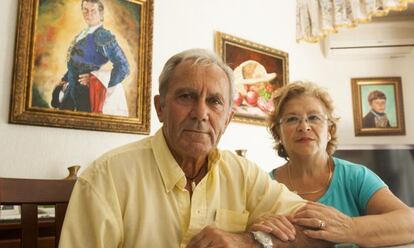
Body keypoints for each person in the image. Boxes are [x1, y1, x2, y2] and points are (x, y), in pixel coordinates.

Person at [59, 50, 335, 247]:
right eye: (187, 96)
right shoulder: (106, 177)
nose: (200, 113)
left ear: (227, 119)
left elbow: (322, 234)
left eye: (215, 101)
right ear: (160, 108)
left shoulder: (244, 175)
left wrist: (249, 241)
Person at [255, 81, 414, 247]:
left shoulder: (356, 177)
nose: (304, 126)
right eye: (292, 119)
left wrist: (349, 228)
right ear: (278, 133)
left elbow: (410, 223)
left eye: (314, 117)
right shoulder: (262, 186)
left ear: (329, 131)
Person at [52, 0, 130, 116]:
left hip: (86, 96)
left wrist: (95, 81)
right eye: (85, 9)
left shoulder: (102, 35)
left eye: (93, 10)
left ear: (101, 14)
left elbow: (123, 67)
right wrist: (64, 79)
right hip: (71, 92)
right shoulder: (82, 34)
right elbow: (77, 63)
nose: (88, 14)